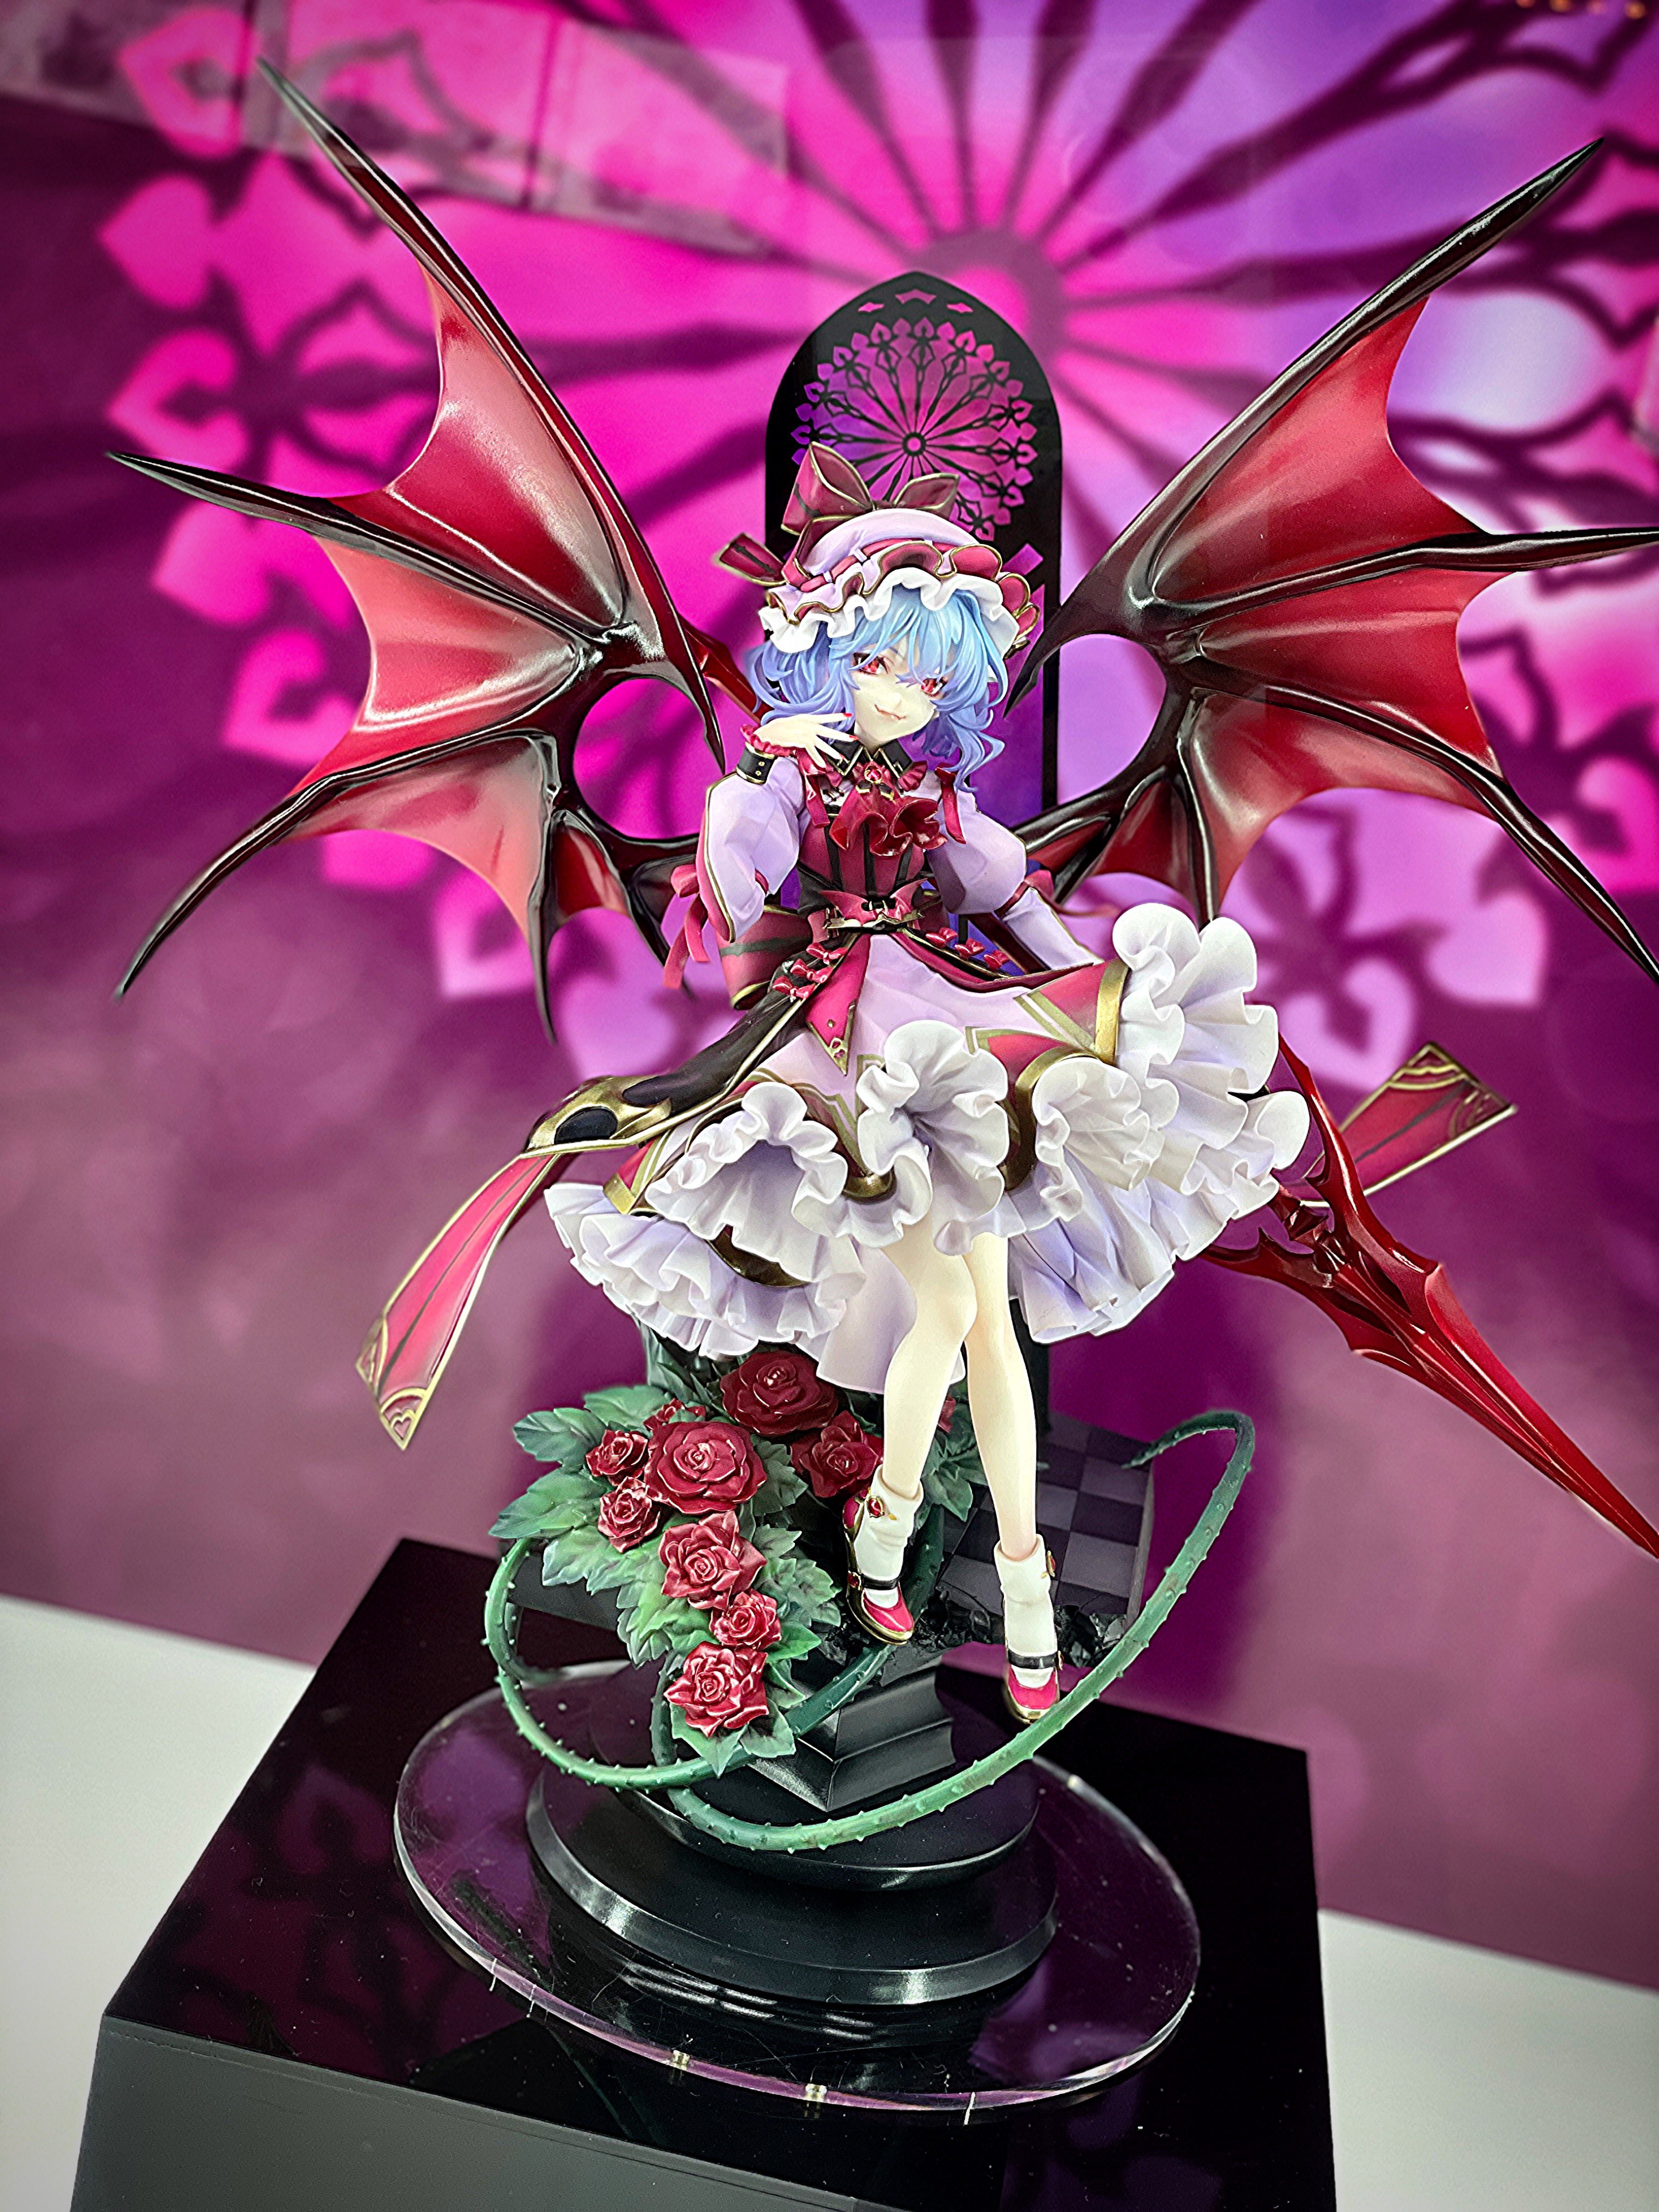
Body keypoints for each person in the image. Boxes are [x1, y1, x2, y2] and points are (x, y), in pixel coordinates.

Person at [543, 446, 1309, 1722]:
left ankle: (1010, 1571)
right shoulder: (787, 783)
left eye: (930, 676)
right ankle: (899, 1524)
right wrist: (756, 768)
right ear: (826, 653)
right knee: (950, 1305)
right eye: (880, 664)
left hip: (951, 1015)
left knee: (987, 1321)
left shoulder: (939, 797)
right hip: (846, 1037)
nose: (901, 695)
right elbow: (729, 893)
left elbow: (1016, 903)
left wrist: (1107, 1001)